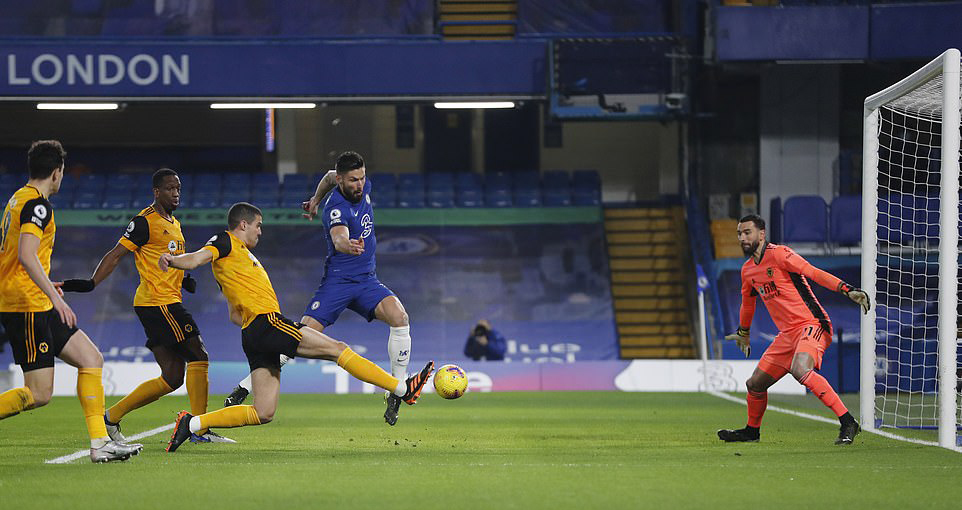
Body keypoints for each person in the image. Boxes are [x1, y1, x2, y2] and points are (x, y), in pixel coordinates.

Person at [160, 202, 434, 452]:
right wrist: (172, 261)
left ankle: (192, 424)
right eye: (258, 226)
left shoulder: (236, 261)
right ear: (243, 224)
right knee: (338, 349)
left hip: (252, 333)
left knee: (263, 412)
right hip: (268, 323)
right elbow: (195, 259)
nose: (260, 232)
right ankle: (402, 389)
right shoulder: (225, 242)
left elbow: (234, 314)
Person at [225, 151, 415, 427]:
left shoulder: (358, 185)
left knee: (400, 318)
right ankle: (245, 387)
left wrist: (314, 199)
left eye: (361, 178)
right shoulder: (335, 208)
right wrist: (346, 244)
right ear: (342, 180)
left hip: (367, 281)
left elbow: (327, 177)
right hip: (337, 283)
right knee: (299, 337)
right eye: (353, 180)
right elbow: (339, 237)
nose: (359, 185)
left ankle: (396, 389)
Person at [57, 168, 231, 445]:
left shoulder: (174, 223)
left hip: (160, 302)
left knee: (173, 377)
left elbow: (168, 258)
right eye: (170, 189)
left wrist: (184, 278)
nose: (176, 194)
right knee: (199, 355)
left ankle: (110, 417)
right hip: (158, 302)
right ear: (156, 192)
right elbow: (115, 255)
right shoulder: (143, 222)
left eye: (178, 189)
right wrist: (91, 283)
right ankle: (198, 428)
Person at [0, 140, 141, 462]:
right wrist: (55, 297)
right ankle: (100, 442)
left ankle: (100, 442)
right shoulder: (37, 206)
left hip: (35, 299)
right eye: (62, 172)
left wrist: (47, 286)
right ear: (56, 172)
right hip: (26, 306)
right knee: (39, 394)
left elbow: (12, 256)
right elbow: (24, 254)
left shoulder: (16, 200)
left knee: (91, 359)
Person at [718, 214, 870, 445]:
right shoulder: (748, 271)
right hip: (788, 334)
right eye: (739, 233)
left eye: (747, 232)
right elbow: (748, 304)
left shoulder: (780, 254)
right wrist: (744, 332)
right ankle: (751, 432)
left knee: (800, 369)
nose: (742, 237)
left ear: (762, 234)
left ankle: (848, 422)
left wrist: (846, 289)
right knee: (754, 384)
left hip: (813, 323)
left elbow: (814, 273)